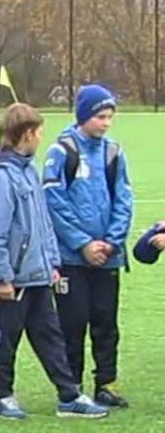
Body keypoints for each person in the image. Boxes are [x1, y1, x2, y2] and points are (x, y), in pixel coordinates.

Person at [0, 103, 108, 420]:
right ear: (27, 134)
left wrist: (51, 263)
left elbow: (42, 223)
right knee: (6, 338)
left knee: (50, 336)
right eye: (38, 132)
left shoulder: (28, 170)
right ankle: (1, 396)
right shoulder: (0, 178)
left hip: (38, 274)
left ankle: (69, 396)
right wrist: (2, 276)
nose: (40, 138)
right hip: (15, 278)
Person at [42, 84, 133, 409]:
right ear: (83, 116)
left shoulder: (113, 153)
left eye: (109, 117)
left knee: (106, 321)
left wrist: (111, 242)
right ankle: (72, 386)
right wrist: (82, 243)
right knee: (72, 323)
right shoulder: (61, 151)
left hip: (108, 257)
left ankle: (106, 382)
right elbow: (54, 202)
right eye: (100, 117)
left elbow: (124, 199)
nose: (106, 123)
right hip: (72, 259)